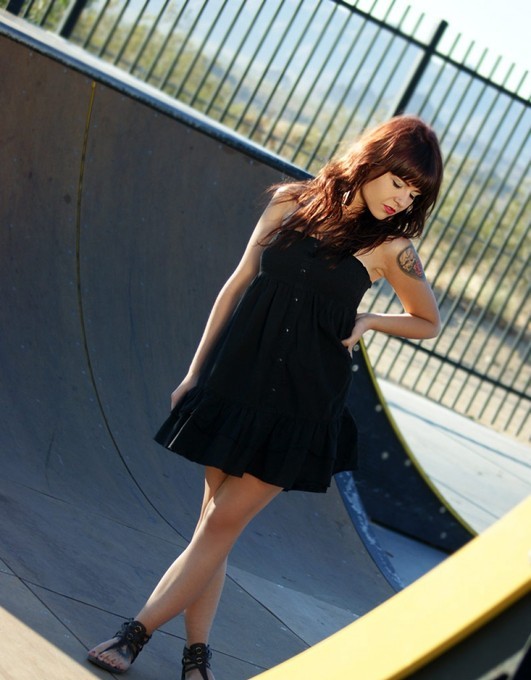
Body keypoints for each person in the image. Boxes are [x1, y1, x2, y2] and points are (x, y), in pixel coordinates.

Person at [87, 114, 443, 679]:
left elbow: (427, 321)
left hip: (303, 404)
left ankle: (136, 633)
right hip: (238, 379)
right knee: (212, 529)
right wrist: (196, 372)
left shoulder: (391, 247)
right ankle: (197, 658)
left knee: (218, 526)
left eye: (414, 194)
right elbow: (237, 283)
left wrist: (372, 320)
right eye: (397, 182)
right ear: (371, 162)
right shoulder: (289, 203)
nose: (402, 200)